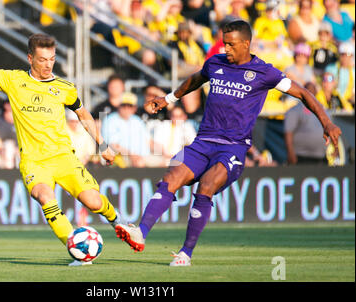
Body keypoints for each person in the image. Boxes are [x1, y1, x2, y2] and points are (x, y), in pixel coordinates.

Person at [115, 20, 342, 266]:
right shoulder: (215, 63)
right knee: (170, 177)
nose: (227, 49)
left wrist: (326, 122)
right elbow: (196, 79)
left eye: (232, 45)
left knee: (206, 186)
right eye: (224, 44)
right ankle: (140, 232)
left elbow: (304, 94)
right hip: (201, 142)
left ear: (246, 43)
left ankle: (185, 254)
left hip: (232, 148)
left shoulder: (265, 72)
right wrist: (169, 98)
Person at [0, 33, 122, 266]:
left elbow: (83, 114)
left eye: (52, 59)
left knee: (93, 202)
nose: (48, 64)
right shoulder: (13, 80)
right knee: (45, 196)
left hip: (64, 159)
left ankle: (118, 222)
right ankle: (78, 250)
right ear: (30, 58)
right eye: (42, 59)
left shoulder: (65, 88)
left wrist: (102, 143)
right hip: (34, 163)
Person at [101, 92, 152, 167]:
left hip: (143, 156)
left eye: (130, 106)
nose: (126, 109)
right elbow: (112, 145)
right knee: (139, 163)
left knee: (169, 162)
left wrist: (165, 153)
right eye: (124, 105)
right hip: (121, 157)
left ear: (135, 108)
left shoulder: (137, 120)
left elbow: (149, 142)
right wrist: (132, 155)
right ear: (119, 106)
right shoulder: (110, 120)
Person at [284, 82, 329, 165]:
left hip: (321, 157)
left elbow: (329, 128)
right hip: (301, 157)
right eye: (308, 91)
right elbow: (288, 133)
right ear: (304, 92)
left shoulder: (323, 110)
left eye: (313, 91)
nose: (311, 94)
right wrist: (290, 153)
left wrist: (336, 149)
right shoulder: (295, 110)